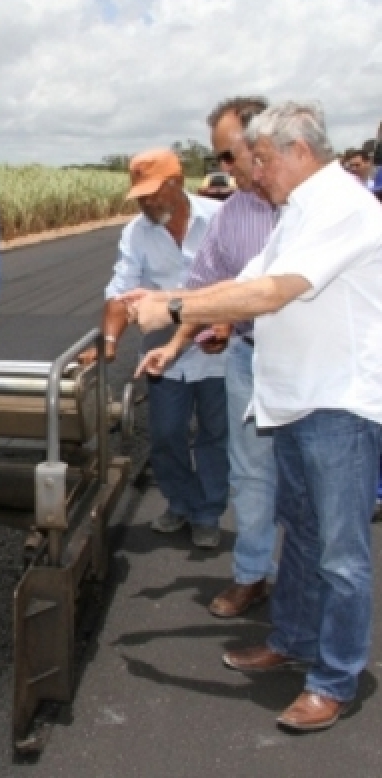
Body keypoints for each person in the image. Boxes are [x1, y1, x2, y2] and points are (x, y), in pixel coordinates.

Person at [122, 102, 382, 732]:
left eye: (260, 158)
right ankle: (291, 640)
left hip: (338, 404)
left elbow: (270, 293)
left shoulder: (343, 209)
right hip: (294, 401)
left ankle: (334, 678)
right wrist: (176, 311)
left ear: (298, 150)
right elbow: (240, 281)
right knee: (304, 536)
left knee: (342, 554)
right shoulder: (293, 214)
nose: (253, 172)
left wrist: (173, 302)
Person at [136, 97, 279, 617]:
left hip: (317, 366)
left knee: (313, 485)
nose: (222, 167)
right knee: (252, 474)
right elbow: (206, 286)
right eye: (217, 157)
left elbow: (269, 291)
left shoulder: (322, 205)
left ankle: (315, 602)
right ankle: (253, 574)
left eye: (226, 155)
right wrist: (175, 343)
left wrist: (172, 309)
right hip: (245, 354)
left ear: (263, 143)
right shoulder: (235, 215)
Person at [83, 148, 228, 548]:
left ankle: (208, 513)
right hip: (164, 353)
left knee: (215, 435)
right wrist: (109, 342)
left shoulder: (219, 221)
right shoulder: (136, 232)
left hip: (219, 351)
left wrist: (225, 323)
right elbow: (121, 292)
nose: (147, 203)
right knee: (165, 435)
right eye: (141, 196)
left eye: (154, 193)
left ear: (177, 183)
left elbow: (238, 282)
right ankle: (181, 502)